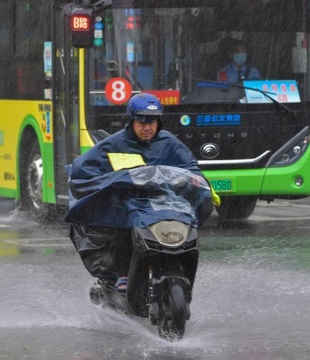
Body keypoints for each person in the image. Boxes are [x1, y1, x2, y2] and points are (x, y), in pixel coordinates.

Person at [66, 93, 215, 291]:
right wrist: (111, 182)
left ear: (158, 121)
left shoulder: (169, 143)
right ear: (131, 121)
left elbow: (190, 166)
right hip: (131, 203)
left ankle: (178, 263)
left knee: (200, 207)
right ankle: (123, 273)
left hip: (165, 203)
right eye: (141, 122)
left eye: (151, 122)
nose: (147, 127)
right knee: (124, 219)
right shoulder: (115, 143)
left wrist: (195, 181)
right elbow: (82, 169)